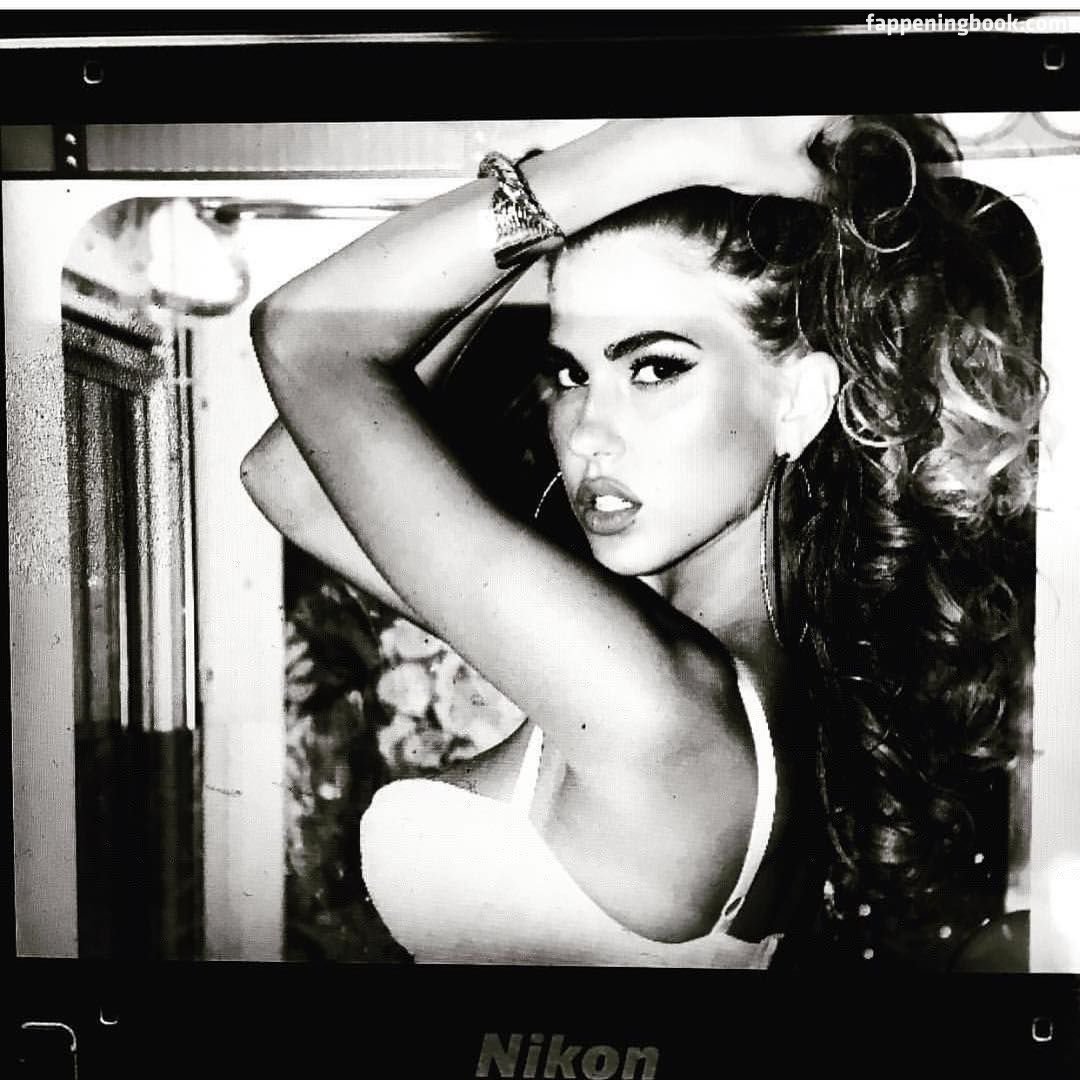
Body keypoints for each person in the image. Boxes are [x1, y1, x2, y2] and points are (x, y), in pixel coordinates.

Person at [241, 116, 1041, 968]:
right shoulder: (700, 669)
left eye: (654, 367)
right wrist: (551, 229)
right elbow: (292, 477)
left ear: (798, 402)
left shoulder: (652, 700)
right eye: (571, 372)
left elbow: (305, 338)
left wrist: (673, 149)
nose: (588, 432)